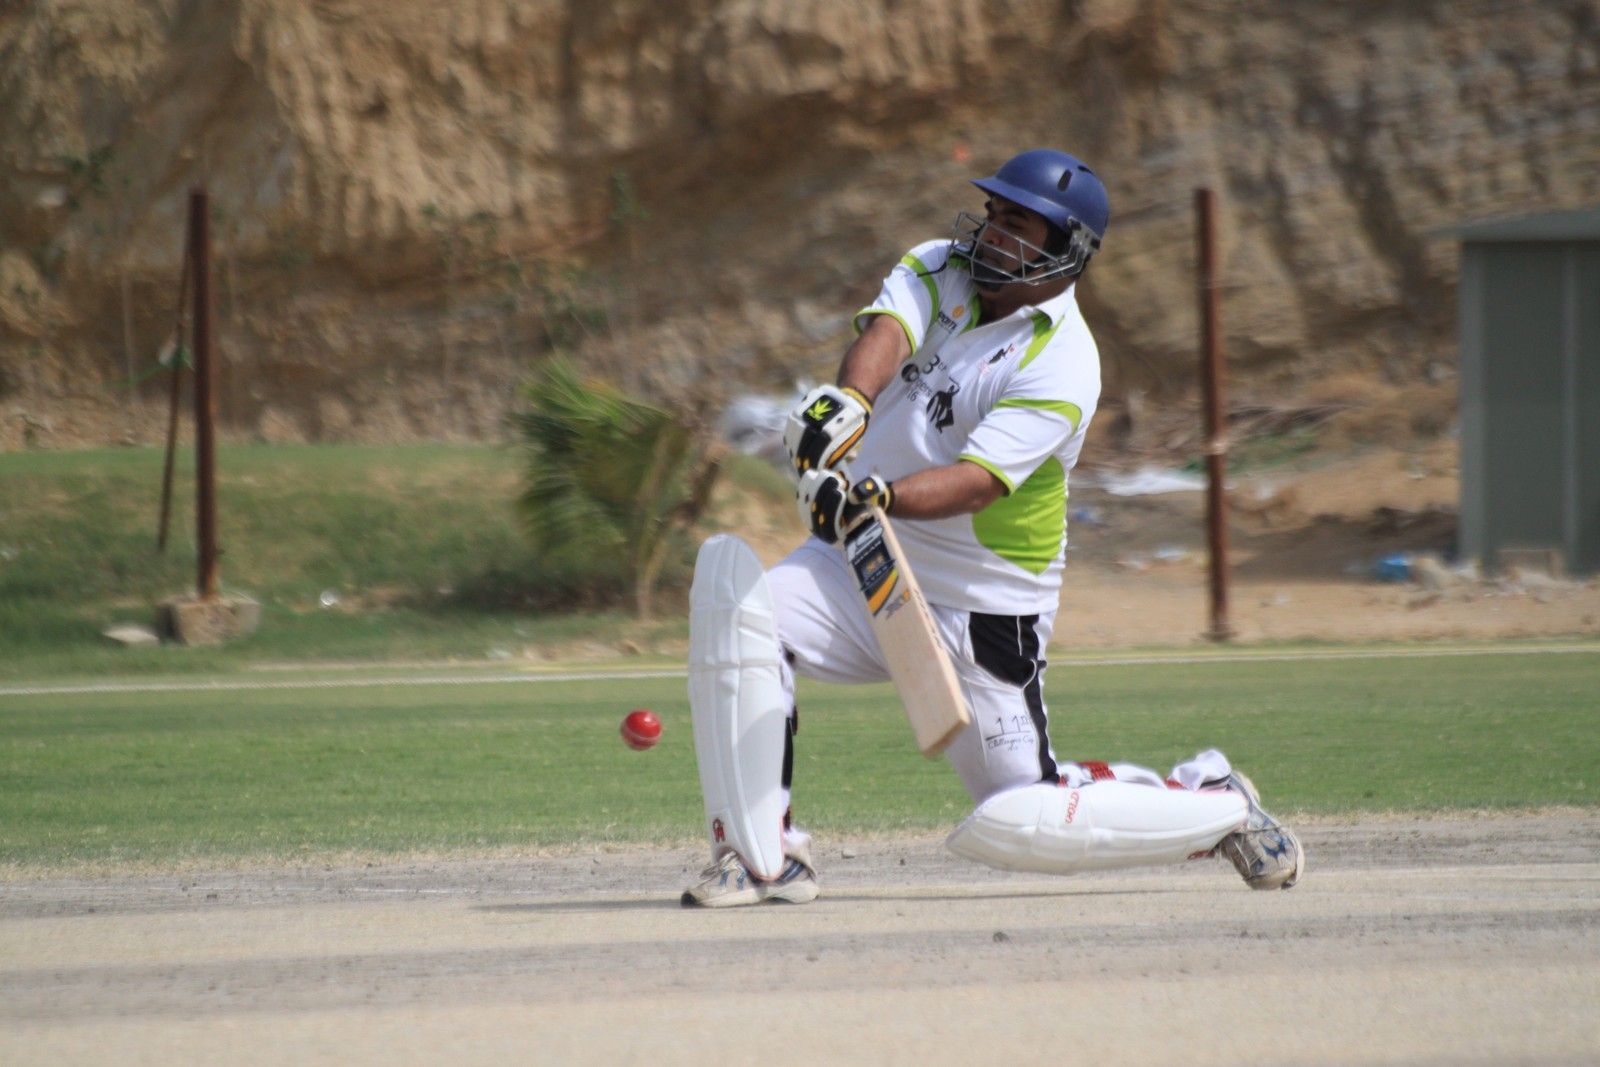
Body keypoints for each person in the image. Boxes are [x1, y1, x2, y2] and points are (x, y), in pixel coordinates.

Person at [681, 148, 1304, 907]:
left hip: (981, 607)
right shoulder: (941, 265)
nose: (993, 232)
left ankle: (1213, 798)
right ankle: (760, 855)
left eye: (1019, 224)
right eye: (994, 214)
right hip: (859, 561)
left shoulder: (1065, 362)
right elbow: (887, 335)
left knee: (1026, 811)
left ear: (1067, 249)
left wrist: (877, 492)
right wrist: (848, 403)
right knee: (743, 617)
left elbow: (978, 482)